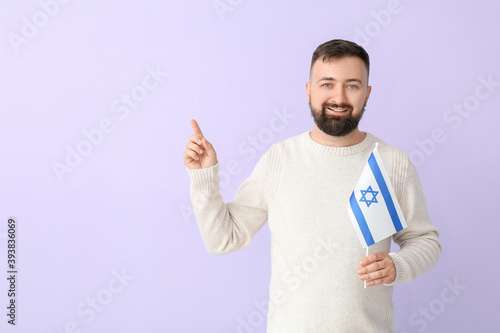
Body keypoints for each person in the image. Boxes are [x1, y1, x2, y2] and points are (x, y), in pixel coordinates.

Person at [183, 39, 441, 332]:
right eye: (327, 84)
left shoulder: (391, 162)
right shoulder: (279, 160)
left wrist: (399, 265)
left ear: (367, 94)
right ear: (309, 90)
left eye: (352, 85)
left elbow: (424, 240)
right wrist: (204, 179)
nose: (339, 97)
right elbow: (224, 239)